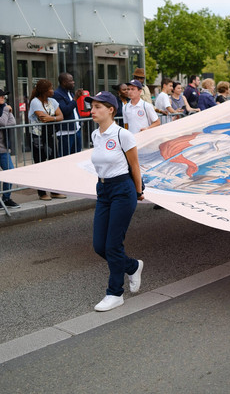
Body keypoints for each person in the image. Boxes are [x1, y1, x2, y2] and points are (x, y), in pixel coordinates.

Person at [86, 91, 144, 312]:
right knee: (100, 246)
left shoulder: (123, 135)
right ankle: (132, 266)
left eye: (99, 106)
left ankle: (115, 293)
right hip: (103, 189)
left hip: (123, 189)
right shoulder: (95, 135)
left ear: (111, 109)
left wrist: (138, 191)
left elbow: (135, 165)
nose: (93, 110)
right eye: (92, 106)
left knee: (113, 245)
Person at [28, 79, 65, 200]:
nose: (52, 90)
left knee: (53, 162)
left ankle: (54, 191)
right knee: (41, 163)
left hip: (49, 135)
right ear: (44, 91)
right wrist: (54, 117)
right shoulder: (35, 102)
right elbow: (42, 117)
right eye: (50, 88)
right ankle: (42, 192)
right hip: (37, 136)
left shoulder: (53, 101)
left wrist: (52, 118)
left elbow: (61, 116)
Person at [53, 72, 83, 157]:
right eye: (71, 81)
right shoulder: (57, 94)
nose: (73, 82)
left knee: (77, 156)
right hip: (66, 132)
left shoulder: (70, 93)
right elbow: (65, 110)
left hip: (76, 130)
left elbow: (75, 110)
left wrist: (80, 122)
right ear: (64, 82)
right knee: (66, 157)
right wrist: (75, 98)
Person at [0, 89, 20, 208]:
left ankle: (6, 198)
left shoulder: (4, 108)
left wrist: (6, 110)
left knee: (10, 172)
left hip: (3, 149)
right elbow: (2, 122)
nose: (3, 98)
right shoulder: (6, 108)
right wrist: (7, 110)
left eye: (4, 96)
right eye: (1, 96)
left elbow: (12, 122)